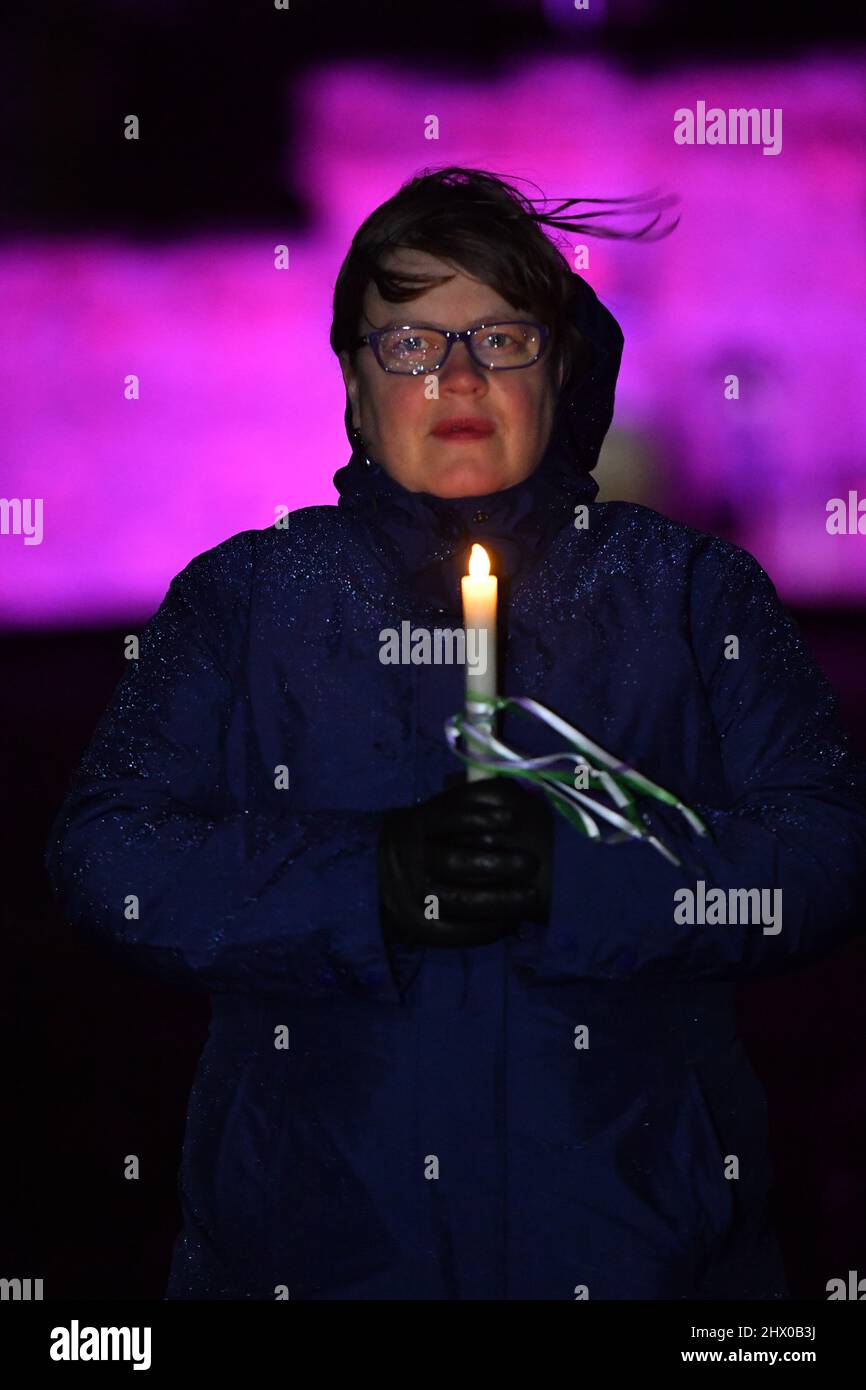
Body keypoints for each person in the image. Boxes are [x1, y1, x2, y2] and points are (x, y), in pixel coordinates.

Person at [45, 165, 866, 1301]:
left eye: (499, 337)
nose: (459, 376)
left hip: (647, 1271)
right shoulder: (243, 601)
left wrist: (575, 878)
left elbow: (824, 852)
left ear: (559, 365)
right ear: (354, 381)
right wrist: (367, 880)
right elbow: (108, 857)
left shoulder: (689, 595)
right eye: (411, 343)